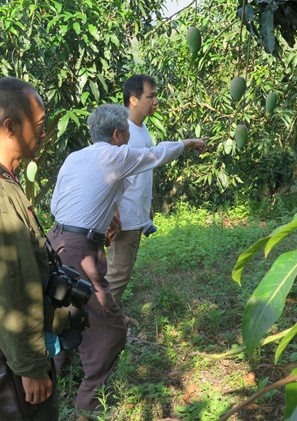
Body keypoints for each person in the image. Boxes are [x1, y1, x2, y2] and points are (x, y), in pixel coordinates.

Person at [47, 103, 206, 418]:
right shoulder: (114, 155)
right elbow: (156, 155)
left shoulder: (75, 157)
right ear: (118, 134)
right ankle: (87, 401)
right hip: (79, 250)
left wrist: (109, 216)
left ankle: (56, 377)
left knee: (61, 313)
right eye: (127, 135)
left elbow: (61, 201)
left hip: (56, 242)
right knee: (110, 327)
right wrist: (187, 144)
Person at [0, 77, 63, 420]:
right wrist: (32, 368)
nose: (43, 133)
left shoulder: (9, 180)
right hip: (16, 365)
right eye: (39, 125)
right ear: (10, 127)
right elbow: (14, 285)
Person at [105, 75, 160, 323]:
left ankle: (113, 316)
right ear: (134, 100)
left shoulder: (142, 127)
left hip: (135, 216)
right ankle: (103, 325)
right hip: (122, 219)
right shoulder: (121, 133)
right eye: (151, 96)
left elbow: (141, 174)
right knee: (116, 274)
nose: (155, 101)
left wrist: (148, 208)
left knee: (122, 272)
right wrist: (112, 214)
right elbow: (108, 177)